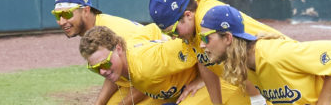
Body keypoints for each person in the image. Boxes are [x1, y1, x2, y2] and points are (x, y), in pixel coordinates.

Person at [198, 5, 331, 105]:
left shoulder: (273, 54)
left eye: (206, 38)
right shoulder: (248, 65)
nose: (201, 44)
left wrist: (324, 103)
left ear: (228, 38)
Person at [148, 0, 291, 105]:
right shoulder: (194, 30)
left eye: (173, 31)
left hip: (281, 74)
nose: (173, 37)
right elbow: (205, 60)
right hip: (259, 81)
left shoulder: (209, 23)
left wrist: (258, 102)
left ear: (188, 15)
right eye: (167, 34)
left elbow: (243, 56)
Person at [80, 25, 247, 104]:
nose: (103, 71)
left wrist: (200, 79)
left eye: (106, 63)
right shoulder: (127, 49)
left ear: (118, 48)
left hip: (223, 81)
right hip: (175, 89)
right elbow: (153, 29)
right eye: (95, 68)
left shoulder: (149, 62)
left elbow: (197, 44)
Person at [51, 0, 159, 105]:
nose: (61, 22)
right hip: (137, 81)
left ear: (86, 10)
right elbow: (114, 70)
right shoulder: (96, 32)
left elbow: (150, 78)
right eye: (57, 15)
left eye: (66, 14)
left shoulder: (116, 33)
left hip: (162, 78)